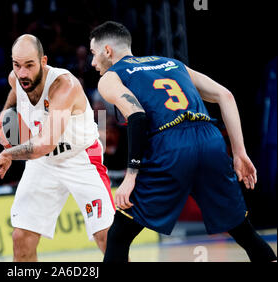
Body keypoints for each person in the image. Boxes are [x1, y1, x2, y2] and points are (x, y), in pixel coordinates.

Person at [88, 21, 277, 262]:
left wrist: (131, 175)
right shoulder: (172, 63)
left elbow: (137, 116)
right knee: (243, 229)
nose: (93, 63)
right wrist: (240, 153)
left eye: (94, 54)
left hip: (170, 145)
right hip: (210, 139)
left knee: (119, 235)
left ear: (107, 51)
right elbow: (225, 95)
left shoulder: (111, 77)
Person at [0, 34, 115, 262]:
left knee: (106, 236)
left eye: (29, 65)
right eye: (17, 65)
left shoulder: (64, 85)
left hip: (81, 157)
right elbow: (15, 89)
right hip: (44, 163)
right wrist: (4, 112)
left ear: (43, 61)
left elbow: (45, 143)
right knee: (21, 238)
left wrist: (8, 153)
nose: (23, 73)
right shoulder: (16, 78)